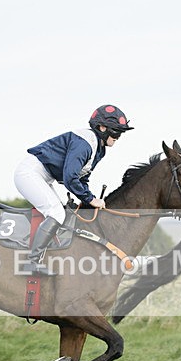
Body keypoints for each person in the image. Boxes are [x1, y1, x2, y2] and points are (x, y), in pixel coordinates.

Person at [13, 104, 134, 276]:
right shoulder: (84, 144)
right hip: (30, 172)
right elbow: (70, 177)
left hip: (43, 176)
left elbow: (82, 178)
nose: (118, 137)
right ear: (102, 128)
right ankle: (31, 263)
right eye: (116, 132)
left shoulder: (99, 149)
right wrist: (90, 199)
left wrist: (88, 199)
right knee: (56, 213)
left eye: (120, 133)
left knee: (61, 213)